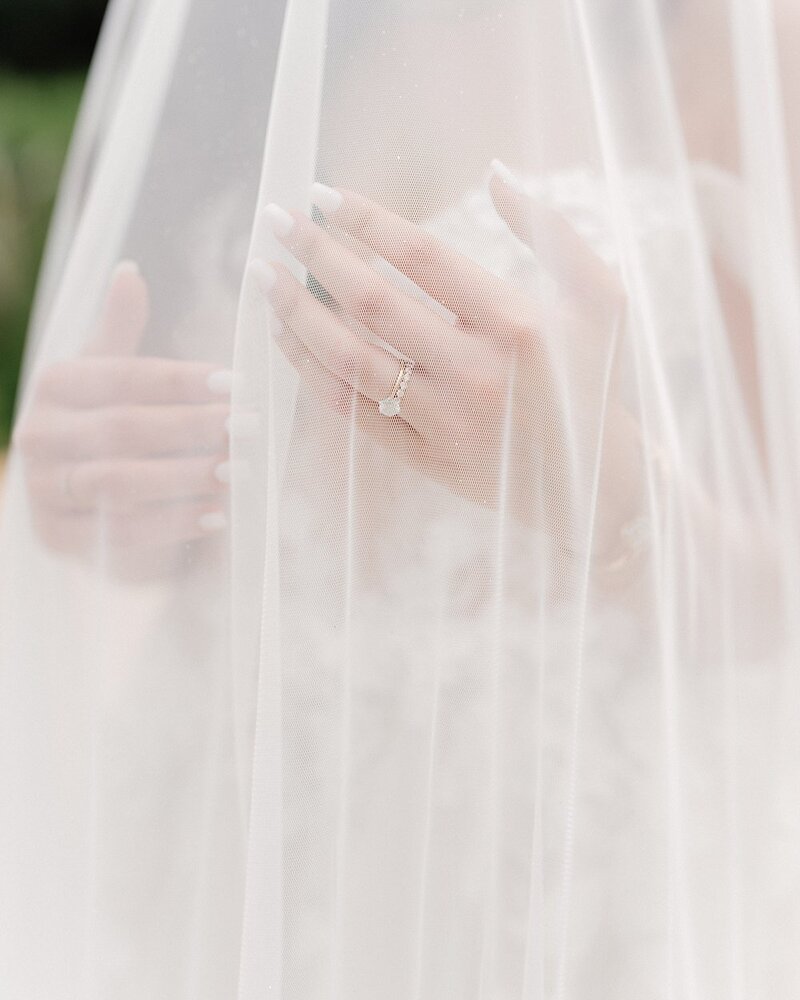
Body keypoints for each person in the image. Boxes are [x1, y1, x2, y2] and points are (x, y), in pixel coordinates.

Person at [2, 0, 800, 997]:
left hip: (545, 862)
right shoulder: (229, 25)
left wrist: (609, 490)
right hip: (238, 811)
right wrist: (106, 499)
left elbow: (780, 597)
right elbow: (201, 461)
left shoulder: (742, 45)